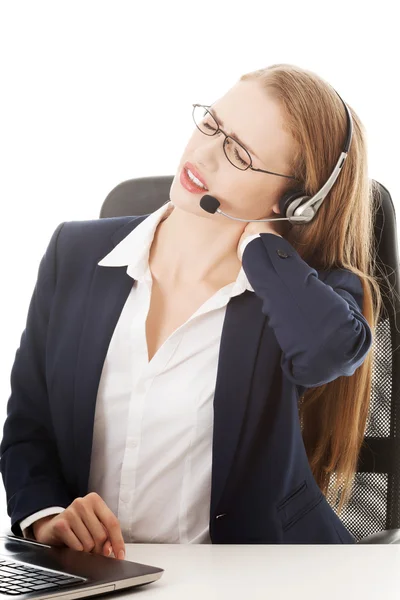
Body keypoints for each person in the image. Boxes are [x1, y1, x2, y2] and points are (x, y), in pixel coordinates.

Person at [0, 63, 383, 557]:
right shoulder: (75, 253)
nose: (203, 153)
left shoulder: (305, 295)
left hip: (256, 579)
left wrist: (263, 246)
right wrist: (47, 518)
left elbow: (328, 351)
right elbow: (29, 424)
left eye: (239, 152)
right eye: (211, 124)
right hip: (102, 576)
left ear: (296, 202)